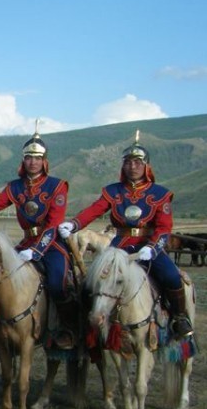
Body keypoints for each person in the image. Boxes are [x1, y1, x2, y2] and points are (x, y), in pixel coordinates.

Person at [58, 131, 192, 339]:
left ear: (146, 166)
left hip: (149, 245)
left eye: (138, 162)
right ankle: (85, 326)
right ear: (123, 166)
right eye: (128, 162)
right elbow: (94, 210)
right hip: (120, 244)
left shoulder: (160, 194)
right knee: (90, 283)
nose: (133, 166)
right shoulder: (113, 191)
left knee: (171, 277)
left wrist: (153, 247)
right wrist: (73, 224)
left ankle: (179, 318)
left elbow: (164, 227)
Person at [0, 126, 76, 348]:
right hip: (26, 242)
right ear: (23, 160)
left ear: (44, 161)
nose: (33, 162)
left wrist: (37, 251)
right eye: (29, 157)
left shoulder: (57, 186)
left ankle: (66, 328)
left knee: (58, 283)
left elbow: (54, 224)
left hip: (52, 244)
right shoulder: (16, 186)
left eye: (37, 158)